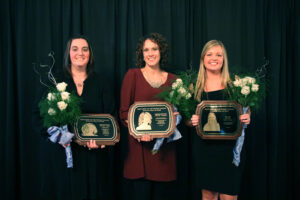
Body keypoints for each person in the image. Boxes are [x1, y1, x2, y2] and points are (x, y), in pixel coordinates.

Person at [32, 35, 115, 200]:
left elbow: (111, 116)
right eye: (75, 49)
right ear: (68, 54)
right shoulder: (54, 81)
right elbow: (37, 115)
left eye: (85, 49)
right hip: (60, 156)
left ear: (90, 54)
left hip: (93, 157)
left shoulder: (101, 82)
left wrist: (101, 141)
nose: (80, 53)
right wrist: (57, 135)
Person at [188, 40, 250, 200]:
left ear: (224, 59)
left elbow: (245, 111)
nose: (214, 58)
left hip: (230, 150)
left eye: (218, 55)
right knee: (208, 196)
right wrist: (191, 120)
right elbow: (186, 120)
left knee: (229, 196)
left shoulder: (236, 83)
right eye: (209, 54)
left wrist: (247, 117)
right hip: (204, 149)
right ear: (203, 59)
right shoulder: (194, 86)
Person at [119, 33, 177, 200]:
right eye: (146, 50)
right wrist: (138, 132)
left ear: (161, 51)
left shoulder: (175, 80)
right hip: (139, 153)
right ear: (141, 53)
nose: (150, 53)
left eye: (154, 49)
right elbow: (124, 112)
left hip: (164, 154)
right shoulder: (132, 75)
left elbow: (179, 115)